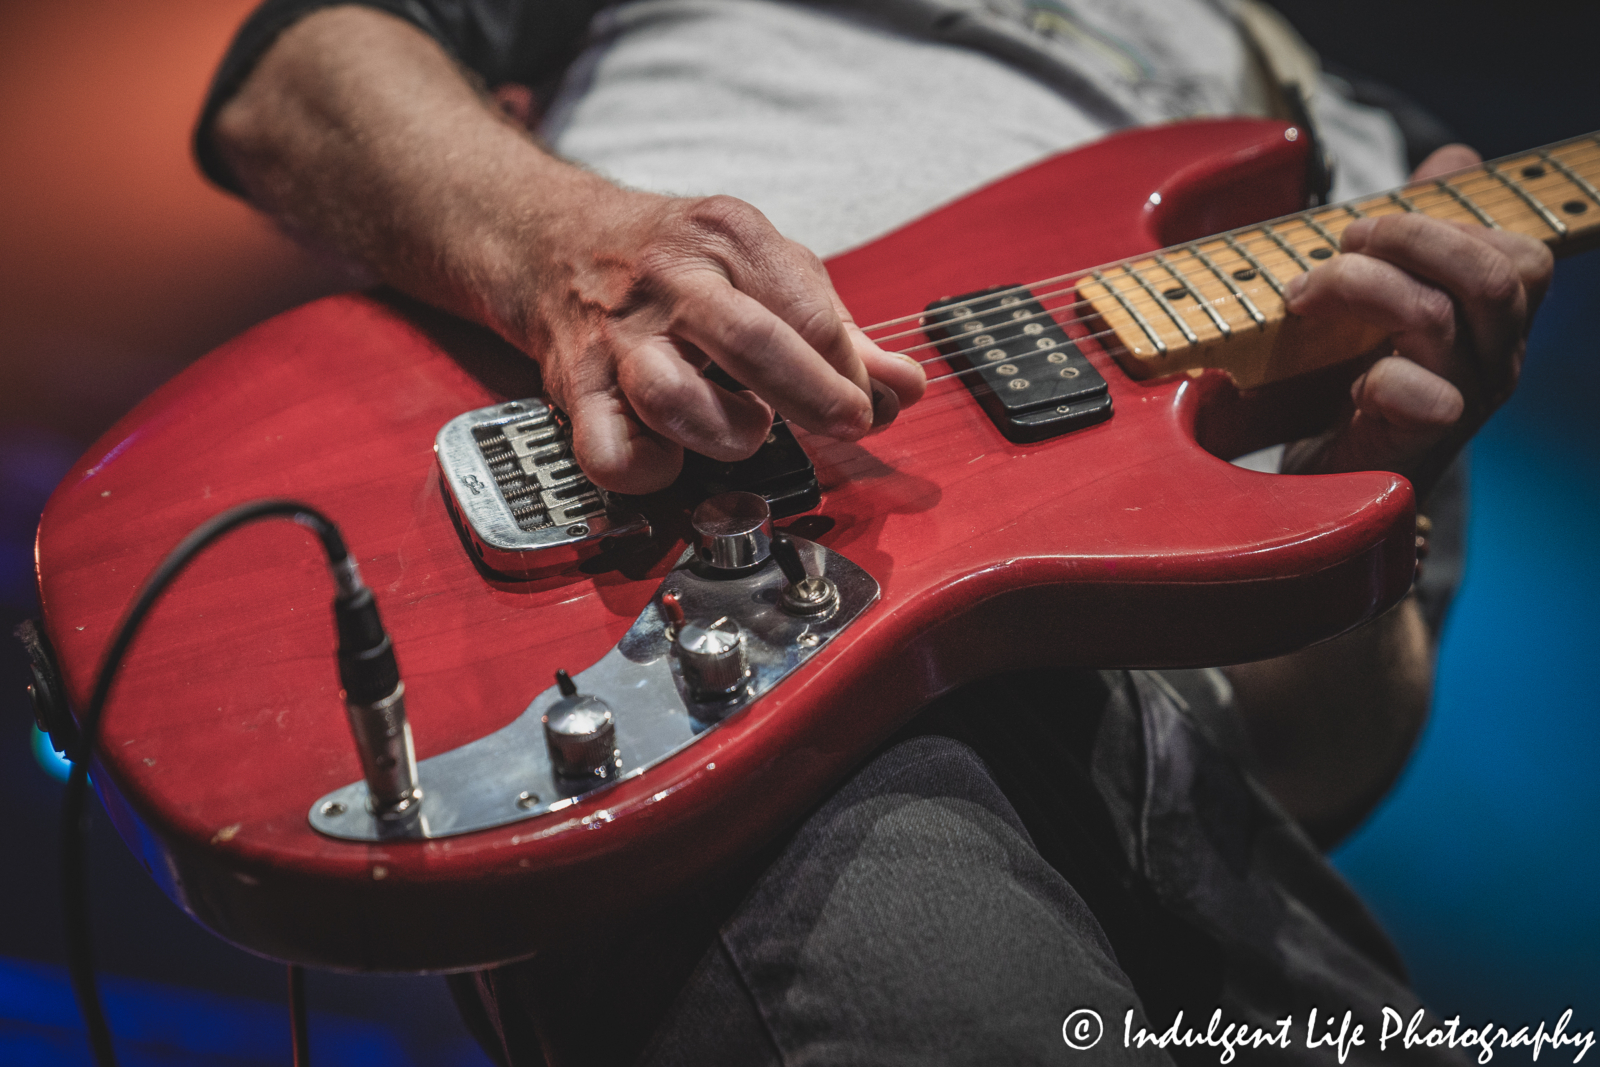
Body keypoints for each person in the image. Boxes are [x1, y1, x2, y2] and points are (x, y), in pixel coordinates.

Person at [193, 1, 1553, 1063]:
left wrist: (1382, 470)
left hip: (1212, 815)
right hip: (741, 653)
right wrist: (569, 247)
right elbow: (292, 77)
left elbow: (1326, 771)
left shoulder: (1360, 146)